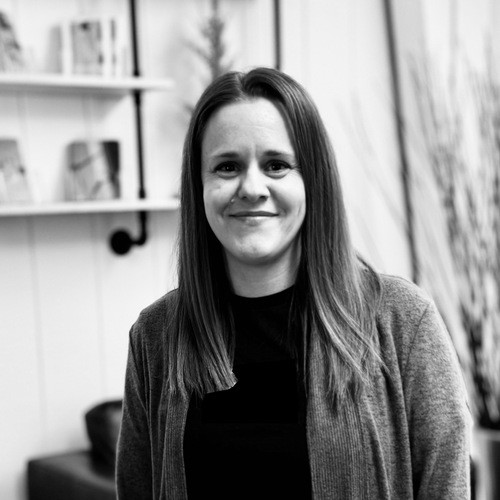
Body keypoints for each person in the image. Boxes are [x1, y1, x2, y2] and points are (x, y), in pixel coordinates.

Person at [116, 67, 471, 499]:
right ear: (199, 186)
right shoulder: (155, 337)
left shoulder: (404, 322)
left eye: (277, 165)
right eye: (227, 166)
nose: (252, 187)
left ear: (313, 181)